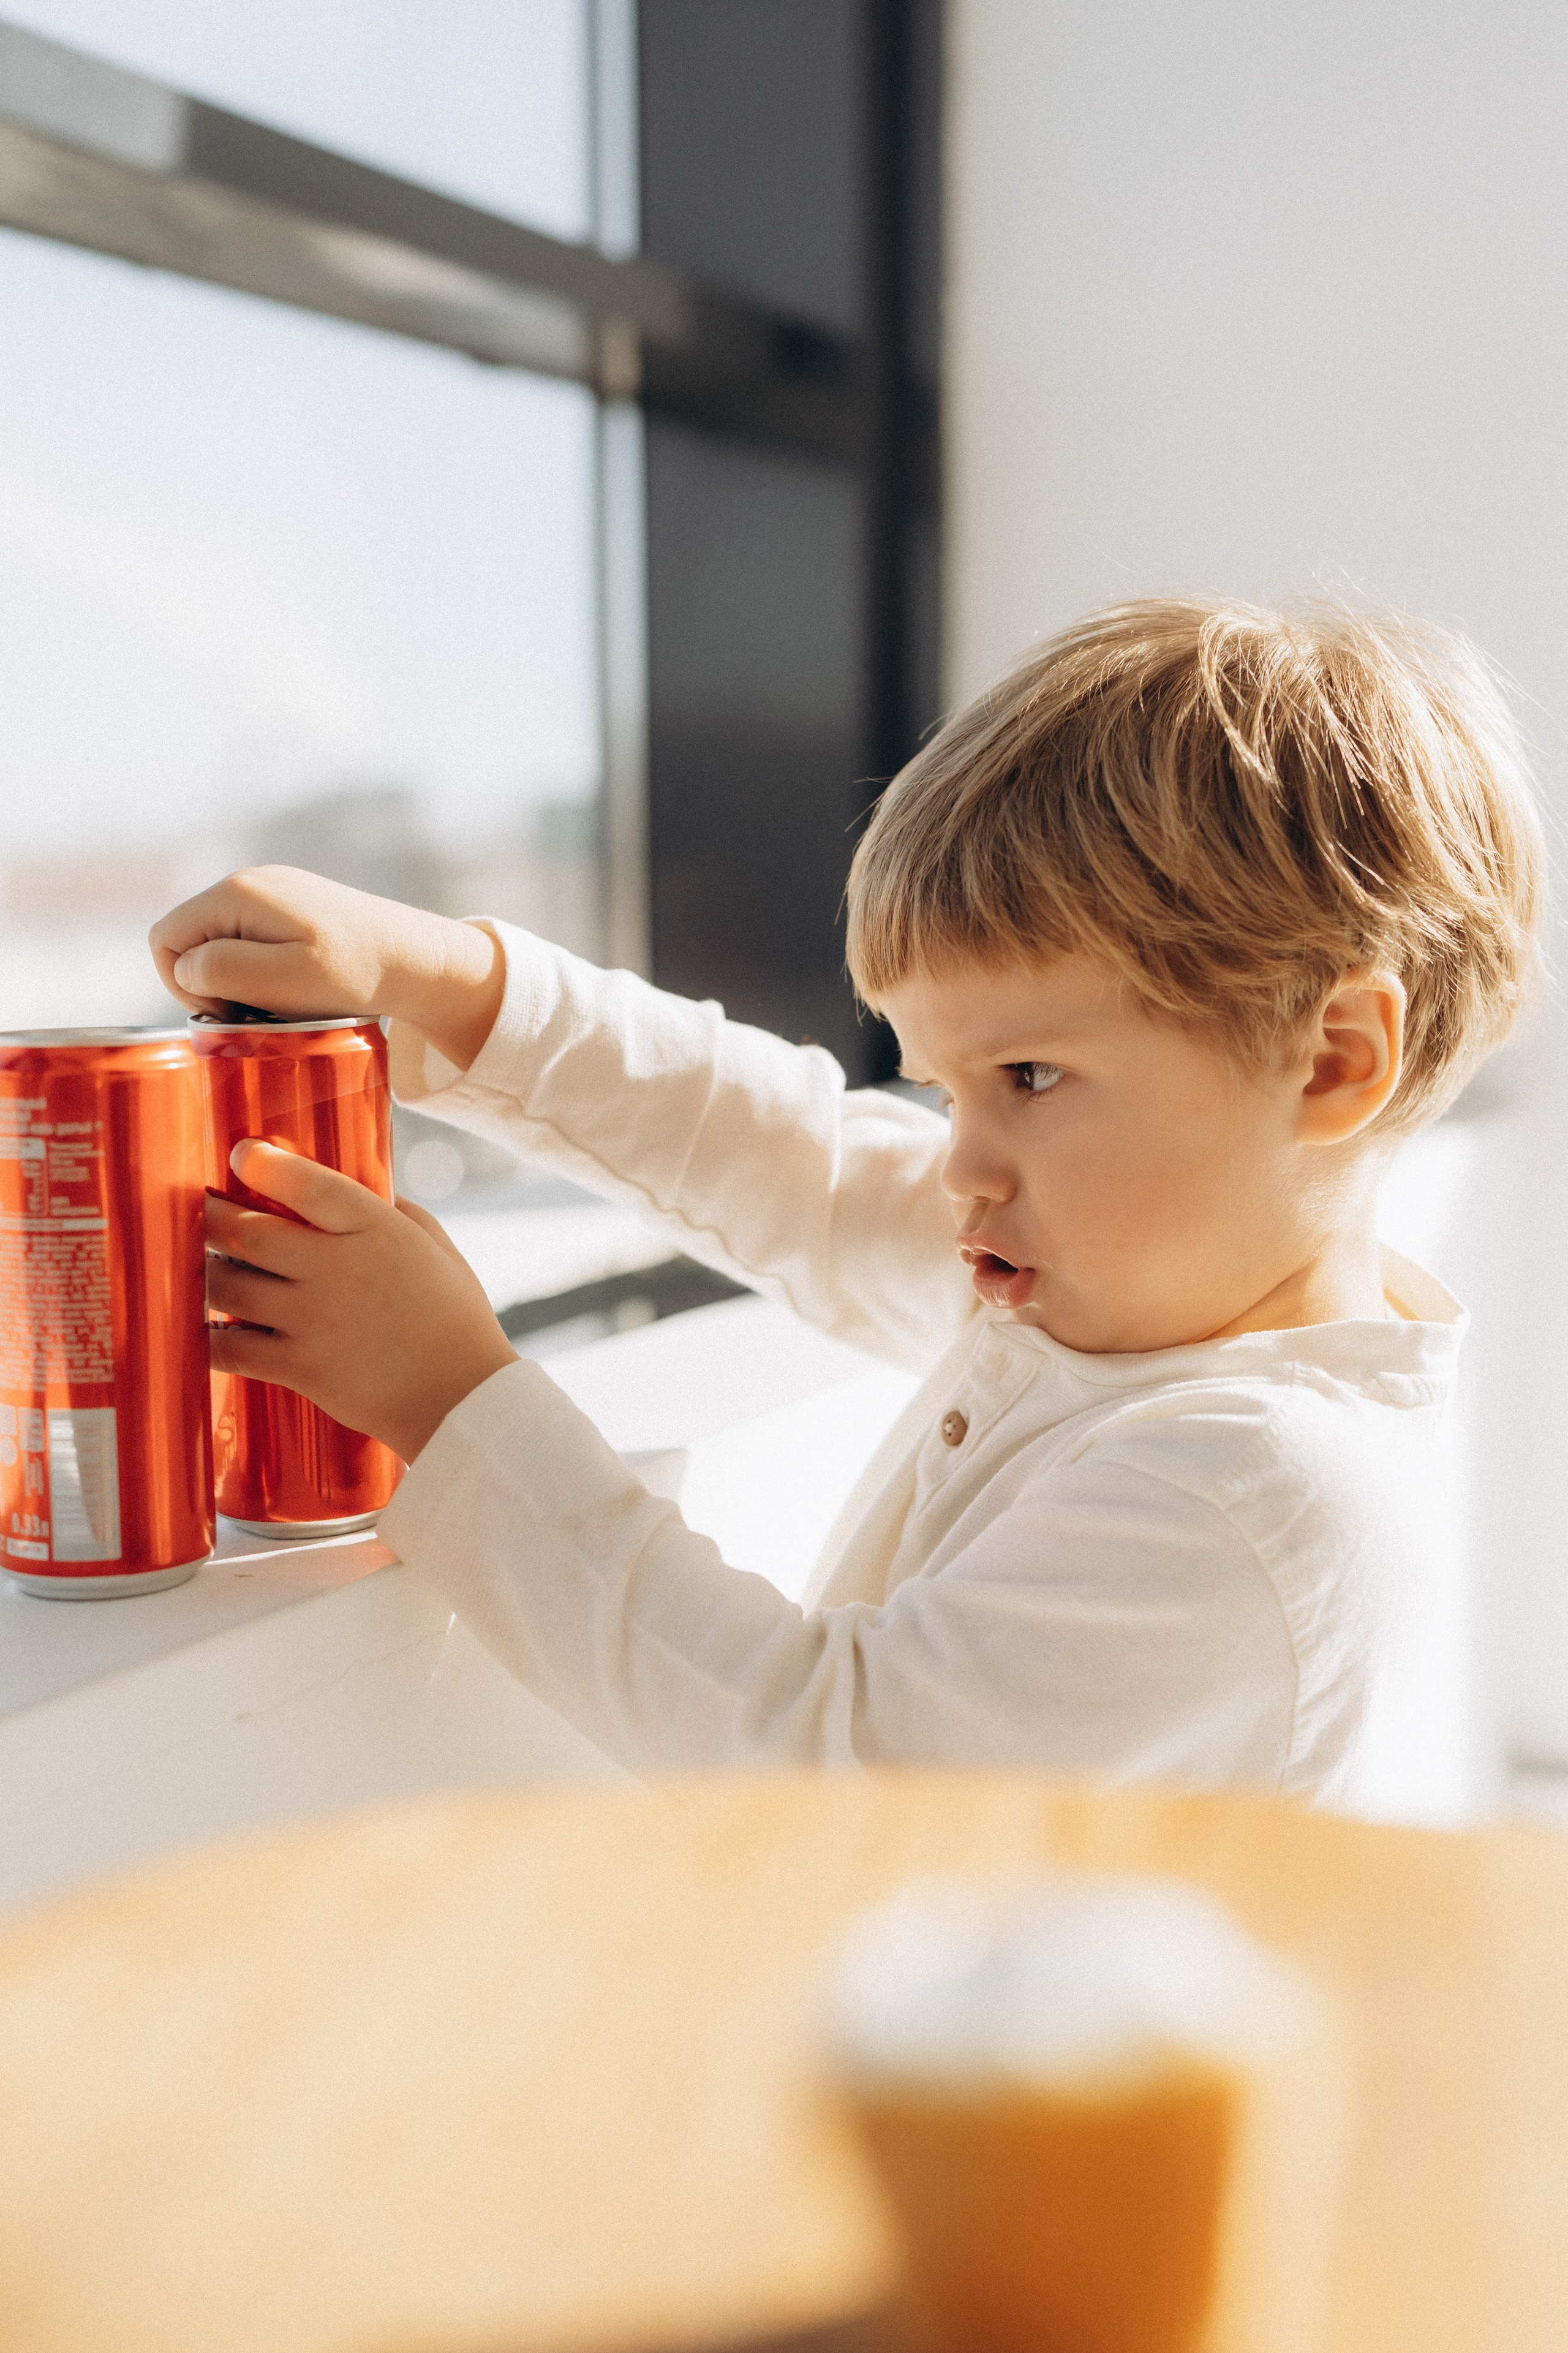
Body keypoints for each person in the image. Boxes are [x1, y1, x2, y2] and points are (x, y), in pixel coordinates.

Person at [151, 597, 1544, 1803]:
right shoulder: (1119, 1284)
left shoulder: (1264, 1494)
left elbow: (822, 1754)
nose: (960, 1161)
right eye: (945, 1087)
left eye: (1029, 1074)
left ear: (1333, 1062)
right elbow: (790, 1158)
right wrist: (460, 985)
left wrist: (450, 1397)